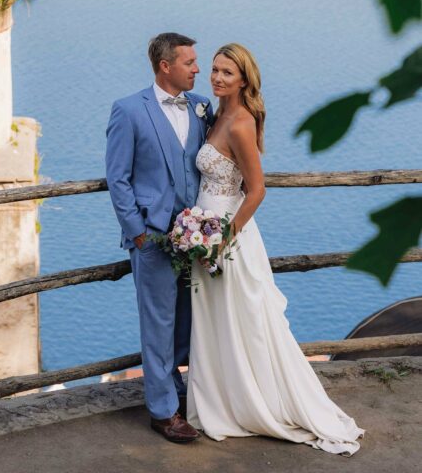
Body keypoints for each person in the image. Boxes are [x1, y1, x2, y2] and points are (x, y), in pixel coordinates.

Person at [187, 43, 364, 455]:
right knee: (216, 322)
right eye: (214, 69)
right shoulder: (216, 114)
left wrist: (222, 239)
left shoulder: (240, 123)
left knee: (244, 321)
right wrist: (198, 231)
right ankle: (222, 402)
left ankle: (254, 403)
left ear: (244, 79)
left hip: (226, 237)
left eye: (227, 73)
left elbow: (257, 189)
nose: (216, 77)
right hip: (204, 231)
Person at [105, 32, 213, 443]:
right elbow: (118, 177)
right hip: (152, 239)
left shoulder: (201, 107)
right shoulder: (129, 110)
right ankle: (164, 412)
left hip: (195, 238)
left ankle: (178, 389)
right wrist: (137, 234)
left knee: (187, 321)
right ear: (166, 66)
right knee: (158, 324)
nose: (198, 69)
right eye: (190, 62)